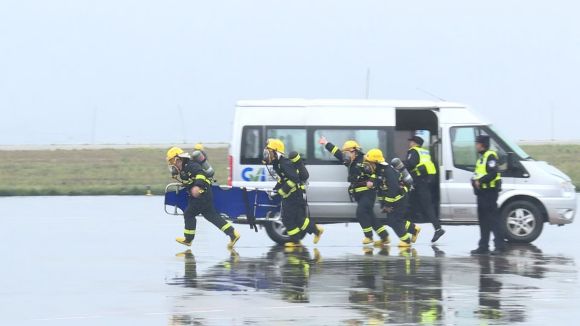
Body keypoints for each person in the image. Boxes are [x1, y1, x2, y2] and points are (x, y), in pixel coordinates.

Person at [319, 136, 389, 246]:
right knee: (370, 216)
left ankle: (369, 237)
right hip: (358, 193)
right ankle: (384, 237)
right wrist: (326, 143)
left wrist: (372, 180)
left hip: (368, 192)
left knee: (360, 212)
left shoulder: (365, 159)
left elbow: (379, 171)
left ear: (354, 151)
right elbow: (337, 152)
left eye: (347, 152)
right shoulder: (349, 160)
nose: (345, 155)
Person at [166, 147, 240, 248]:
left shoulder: (191, 165)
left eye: (171, 161)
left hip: (202, 193)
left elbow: (200, 174)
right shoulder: (184, 169)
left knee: (189, 213)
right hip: (203, 193)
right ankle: (233, 234)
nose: (171, 164)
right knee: (211, 216)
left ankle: (188, 239)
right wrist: (188, 185)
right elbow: (190, 180)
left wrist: (197, 186)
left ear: (178, 159)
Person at [263, 139, 323, 247]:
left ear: (276, 152)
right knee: (298, 219)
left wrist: (282, 191)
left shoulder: (284, 163)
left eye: (269, 152)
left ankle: (299, 239)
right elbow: (282, 179)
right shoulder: (277, 164)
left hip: (294, 195)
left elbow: (294, 179)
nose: (268, 155)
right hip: (291, 195)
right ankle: (313, 232)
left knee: (287, 219)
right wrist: (275, 190)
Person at [371, 148, 421, 248]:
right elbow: (380, 189)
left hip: (400, 198)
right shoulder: (379, 172)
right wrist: (384, 205)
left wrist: (387, 205)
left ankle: (406, 240)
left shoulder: (388, 171)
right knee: (394, 220)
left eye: (370, 163)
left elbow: (393, 189)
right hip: (395, 199)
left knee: (394, 220)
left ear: (376, 162)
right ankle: (414, 229)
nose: (368, 165)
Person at [404, 135, 445, 243]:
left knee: (406, 205)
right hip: (425, 182)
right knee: (427, 207)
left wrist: (400, 164)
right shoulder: (425, 152)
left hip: (417, 183)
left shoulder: (413, 151)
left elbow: (411, 164)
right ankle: (438, 228)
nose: (410, 143)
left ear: (415, 143)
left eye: (411, 141)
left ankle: (409, 230)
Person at [470, 135, 506, 255]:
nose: (476, 145)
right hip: (482, 193)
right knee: (483, 221)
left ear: (482, 144)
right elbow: (477, 174)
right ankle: (483, 246)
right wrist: (474, 181)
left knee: (493, 220)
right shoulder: (481, 158)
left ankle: (500, 246)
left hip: (490, 193)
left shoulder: (490, 156)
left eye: (477, 143)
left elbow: (493, 173)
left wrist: (480, 181)